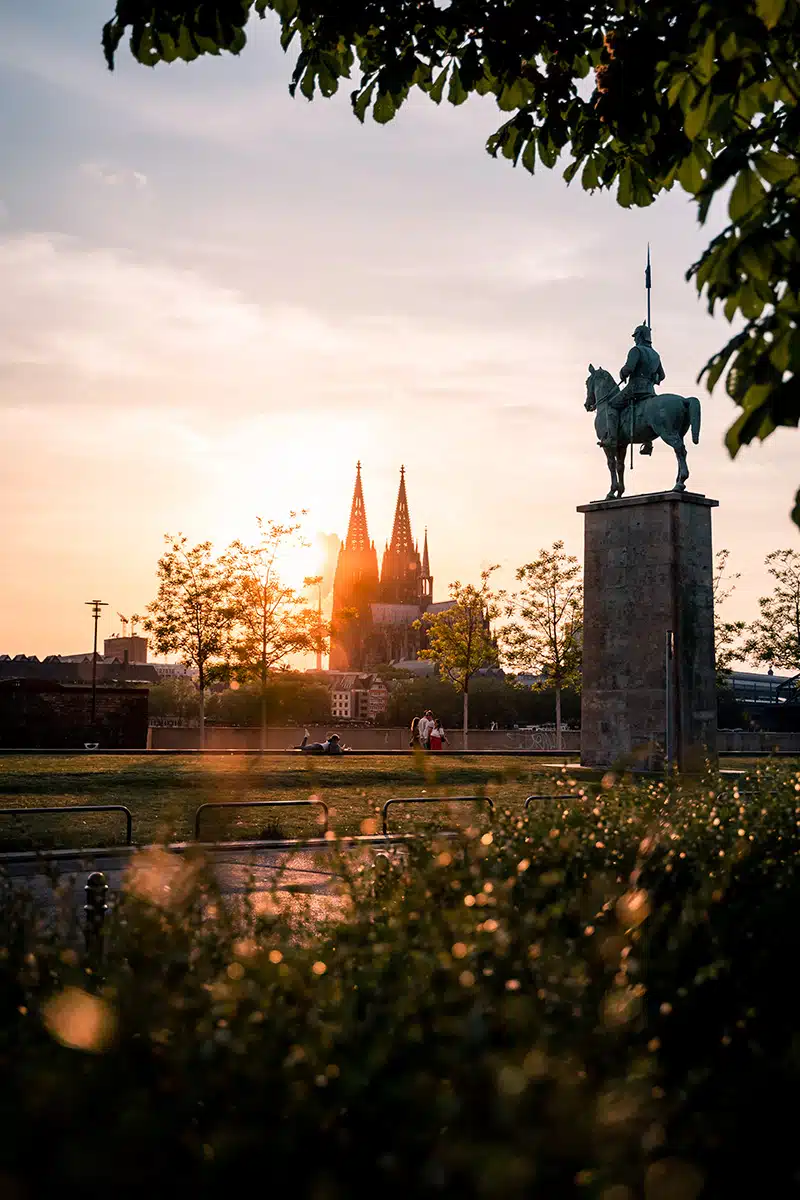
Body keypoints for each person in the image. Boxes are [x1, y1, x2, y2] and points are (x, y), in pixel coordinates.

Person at [610, 323, 665, 455]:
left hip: (635, 388)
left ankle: (611, 437)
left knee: (612, 404)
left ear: (640, 336)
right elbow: (662, 376)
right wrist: (653, 378)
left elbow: (629, 368)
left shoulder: (636, 350)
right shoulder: (655, 355)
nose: (634, 339)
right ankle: (647, 441)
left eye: (635, 336)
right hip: (650, 391)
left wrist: (622, 373)